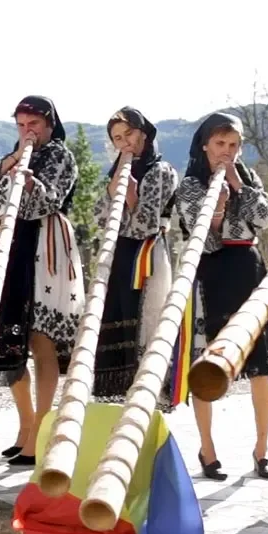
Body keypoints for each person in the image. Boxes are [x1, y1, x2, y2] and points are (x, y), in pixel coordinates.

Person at [0, 96, 83, 467]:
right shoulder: (14, 154)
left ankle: (41, 429)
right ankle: (24, 426)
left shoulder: (60, 156)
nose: (27, 131)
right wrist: (11, 164)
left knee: (41, 340)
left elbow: (41, 204)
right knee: (8, 338)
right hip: (9, 242)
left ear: (49, 124)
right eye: (21, 125)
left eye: (34, 124)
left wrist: (25, 181)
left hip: (45, 246)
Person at [178, 113, 268, 481]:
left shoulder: (248, 179)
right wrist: (217, 206)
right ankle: (207, 447)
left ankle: (263, 448)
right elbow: (206, 238)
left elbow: (264, 218)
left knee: (260, 365)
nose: (227, 152)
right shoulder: (190, 185)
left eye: (233, 145)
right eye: (220, 144)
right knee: (207, 361)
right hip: (210, 272)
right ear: (205, 144)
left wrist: (239, 186)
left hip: (247, 271)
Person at [92, 108, 177, 408]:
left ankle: (150, 397)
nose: (124, 142)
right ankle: (119, 394)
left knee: (146, 322)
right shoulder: (115, 171)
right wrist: (113, 190)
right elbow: (99, 217)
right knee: (118, 318)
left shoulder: (162, 170)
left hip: (147, 255)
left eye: (129, 134)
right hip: (119, 254)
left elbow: (146, 224)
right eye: (117, 138)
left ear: (143, 133)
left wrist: (130, 196)